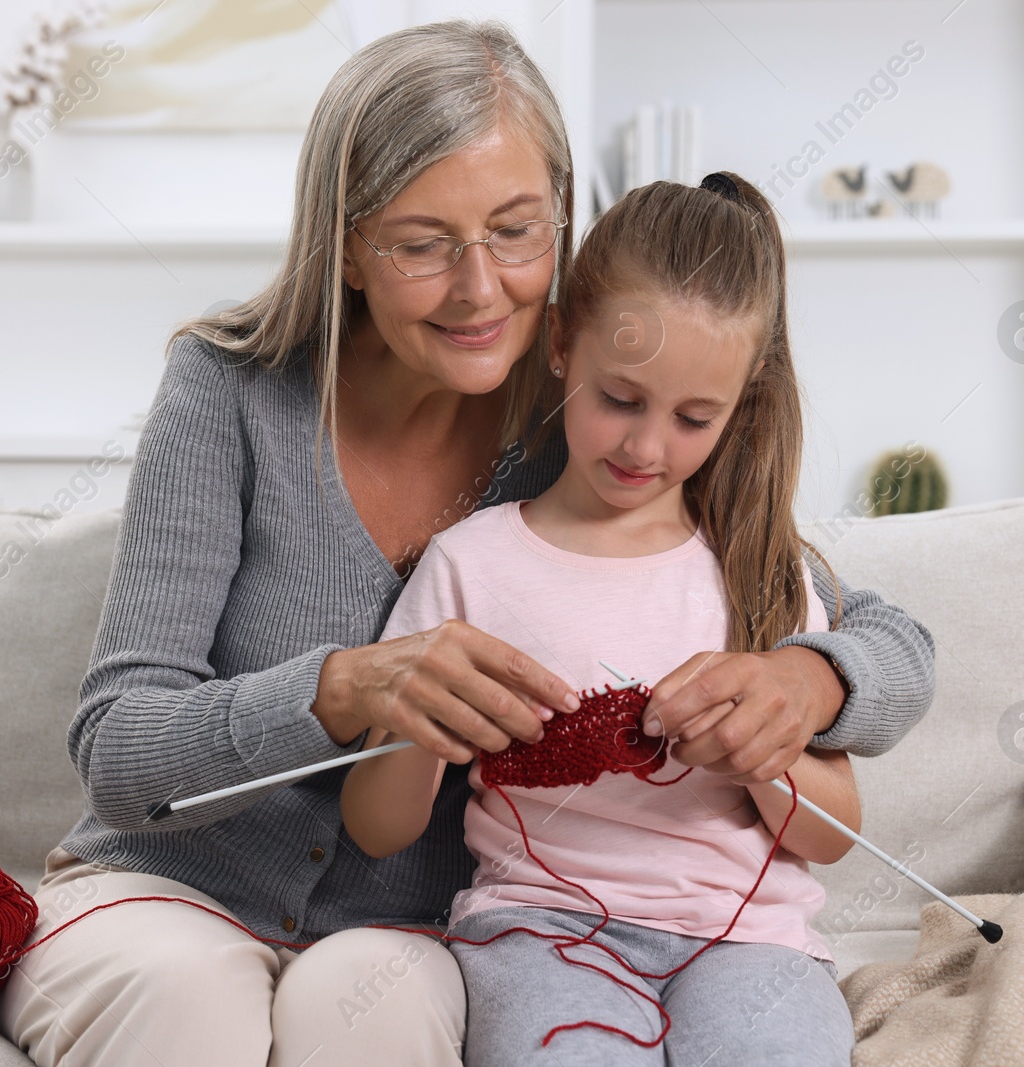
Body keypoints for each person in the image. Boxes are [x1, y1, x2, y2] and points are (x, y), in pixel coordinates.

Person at [0, 20, 934, 1067]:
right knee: (188, 997)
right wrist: (343, 689)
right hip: (176, 892)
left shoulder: (601, 416)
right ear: (345, 241)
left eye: (518, 232)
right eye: (423, 243)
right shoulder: (231, 391)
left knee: (372, 1007)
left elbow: (867, 627)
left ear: (562, 221)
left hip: (404, 932)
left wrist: (810, 681)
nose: (480, 289)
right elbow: (121, 752)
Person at [340, 174, 859, 1066]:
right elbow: (377, 826)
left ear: (743, 404)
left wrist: (761, 754)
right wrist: (423, 721)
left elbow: (835, 832)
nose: (646, 447)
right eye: (619, 399)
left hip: (750, 941)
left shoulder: (760, 569)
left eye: (695, 418)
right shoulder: (471, 564)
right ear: (560, 345)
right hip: (539, 929)